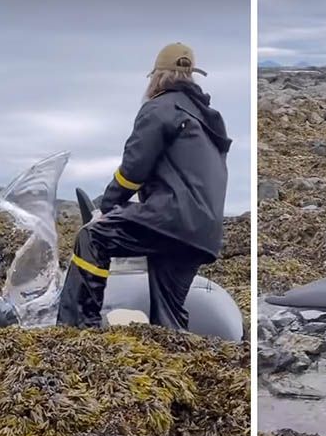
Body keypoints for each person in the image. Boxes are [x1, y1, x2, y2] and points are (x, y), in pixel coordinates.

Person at [57, 42, 232, 332]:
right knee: (168, 317)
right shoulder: (208, 119)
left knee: (92, 238)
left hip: (171, 217)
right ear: (190, 76)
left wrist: (106, 209)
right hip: (204, 231)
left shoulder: (160, 108)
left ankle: (77, 330)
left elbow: (133, 172)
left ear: (157, 76)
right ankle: (180, 360)